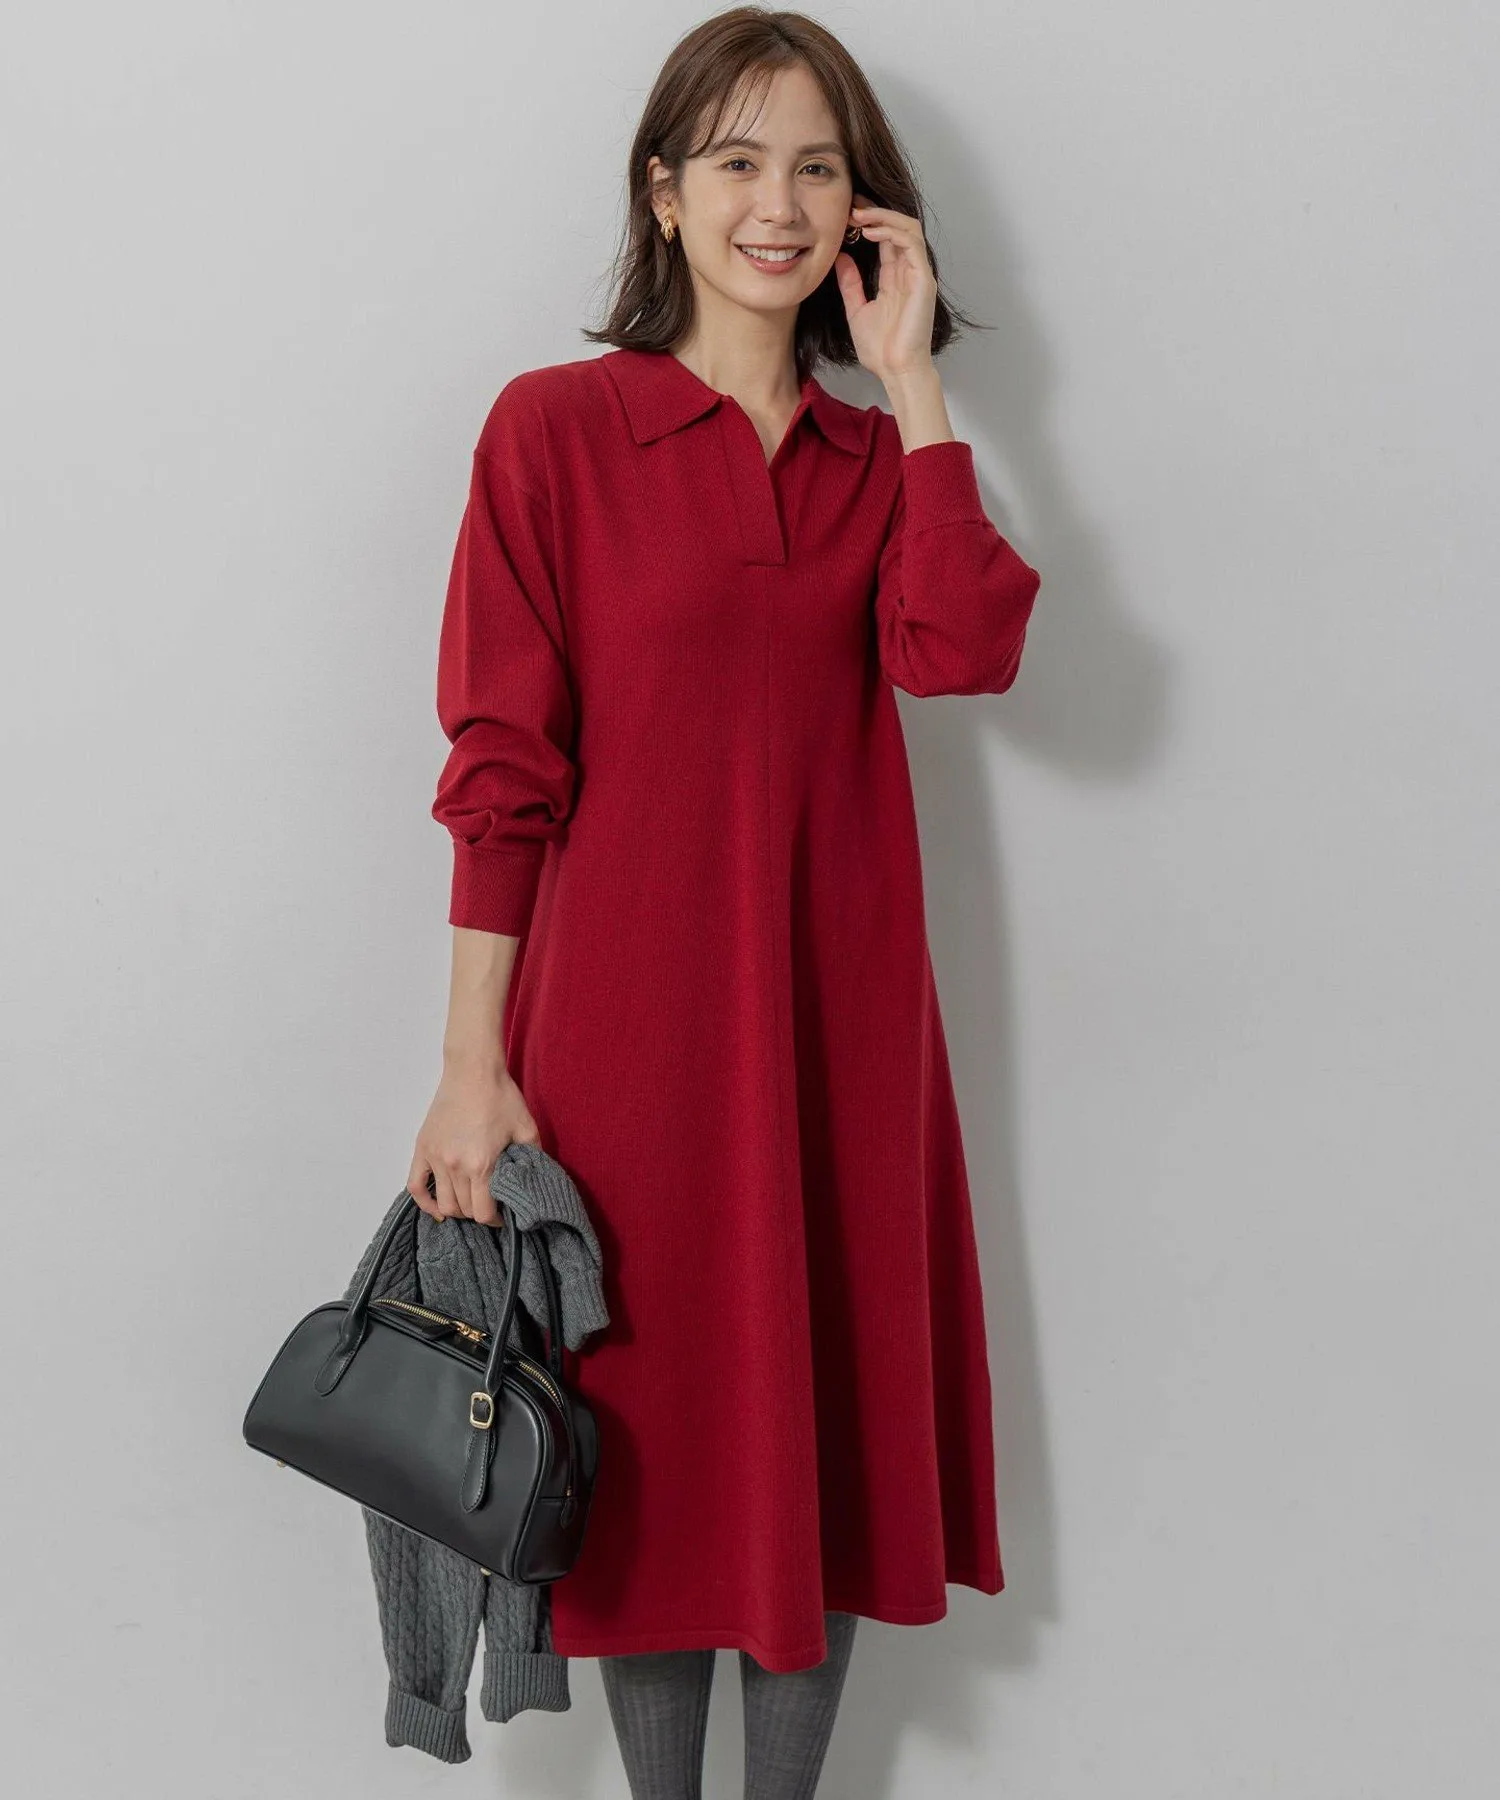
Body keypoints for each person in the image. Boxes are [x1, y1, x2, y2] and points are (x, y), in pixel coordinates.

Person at [406, 8, 1041, 1795]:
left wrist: (913, 385)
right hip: (624, 1038)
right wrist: (471, 1067)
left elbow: (959, 651)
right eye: (740, 161)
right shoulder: (554, 431)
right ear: (666, 192)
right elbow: (502, 766)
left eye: (818, 168)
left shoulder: (875, 467)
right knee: (656, 1446)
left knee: (820, 1428)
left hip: (843, 1030)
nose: (780, 203)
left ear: (864, 212)